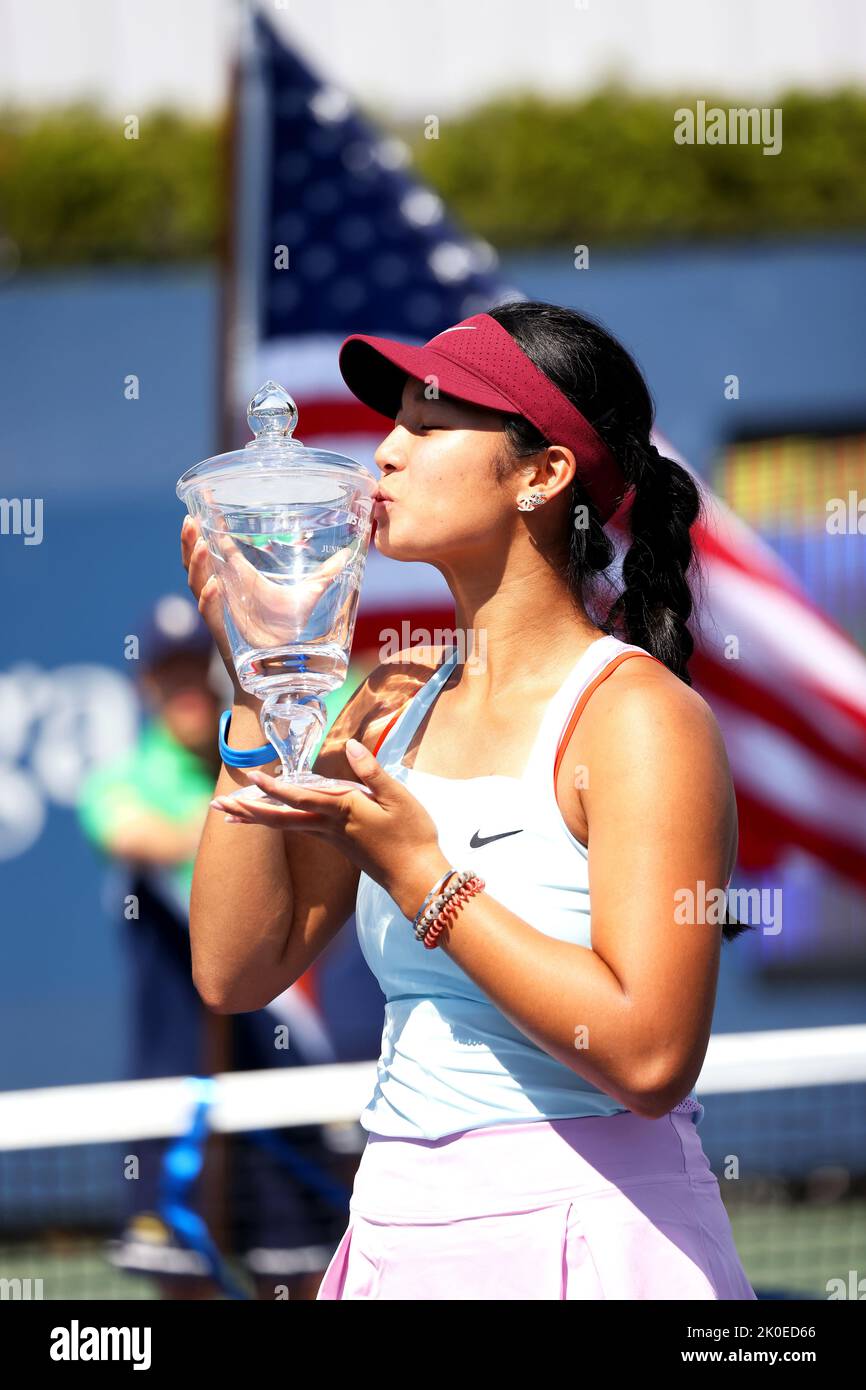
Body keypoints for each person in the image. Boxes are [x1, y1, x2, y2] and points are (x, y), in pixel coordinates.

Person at [183, 300, 758, 1300]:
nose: (386, 453)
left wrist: (423, 873)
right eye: (393, 421)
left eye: (430, 420)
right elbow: (235, 968)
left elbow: (651, 1053)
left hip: (593, 1242)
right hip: (395, 1233)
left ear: (543, 476)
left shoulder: (636, 719)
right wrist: (254, 686)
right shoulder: (390, 707)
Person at [77, 594, 351, 1300]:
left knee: (299, 1275)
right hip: (177, 1091)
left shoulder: (269, 752)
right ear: (147, 686)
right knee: (183, 1284)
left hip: (284, 1078)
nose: (183, 689)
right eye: (165, 674)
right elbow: (129, 832)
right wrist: (256, 825)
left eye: (192, 668)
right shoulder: (124, 783)